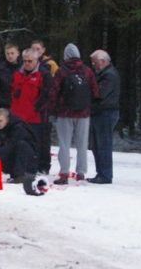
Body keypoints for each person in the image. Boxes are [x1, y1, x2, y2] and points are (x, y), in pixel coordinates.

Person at [49, 43, 99, 185]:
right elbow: (95, 91)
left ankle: (64, 173)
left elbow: (54, 93)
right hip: (84, 114)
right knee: (82, 144)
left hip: (64, 113)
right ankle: (81, 173)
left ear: (66, 56)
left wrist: (53, 111)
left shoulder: (62, 71)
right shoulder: (87, 71)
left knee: (64, 144)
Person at [10, 49, 50, 168]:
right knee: (16, 143)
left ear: (36, 60)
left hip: (35, 117)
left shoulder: (44, 74)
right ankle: (17, 168)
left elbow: (47, 94)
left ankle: (35, 168)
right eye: (25, 61)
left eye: (30, 61)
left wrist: (37, 108)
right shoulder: (17, 73)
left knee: (34, 144)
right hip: (17, 116)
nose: (27, 63)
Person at [88, 49, 120, 184]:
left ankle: (105, 175)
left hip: (106, 113)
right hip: (99, 113)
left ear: (103, 61)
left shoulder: (109, 76)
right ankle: (101, 173)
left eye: (94, 62)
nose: (93, 65)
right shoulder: (104, 74)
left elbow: (100, 94)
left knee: (103, 145)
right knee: (97, 145)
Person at [0, 108, 37, 184]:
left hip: (30, 159)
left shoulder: (19, 127)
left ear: (7, 119)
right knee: (1, 158)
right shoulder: (4, 128)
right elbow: (3, 145)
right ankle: (14, 174)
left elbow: (11, 145)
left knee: (21, 145)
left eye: (0, 121)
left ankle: (20, 176)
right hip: (16, 154)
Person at [30, 39, 58, 174]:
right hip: (31, 106)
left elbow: (56, 84)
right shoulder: (28, 64)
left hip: (45, 106)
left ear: (43, 50)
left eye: (38, 48)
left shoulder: (50, 65)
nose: (36, 51)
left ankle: (44, 165)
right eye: (33, 48)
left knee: (44, 137)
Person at [0, 43, 21, 139]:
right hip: (3, 105)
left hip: (19, 106)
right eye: (8, 53)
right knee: (4, 135)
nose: (10, 56)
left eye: (12, 53)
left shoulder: (23, 68)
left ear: (18, 53)